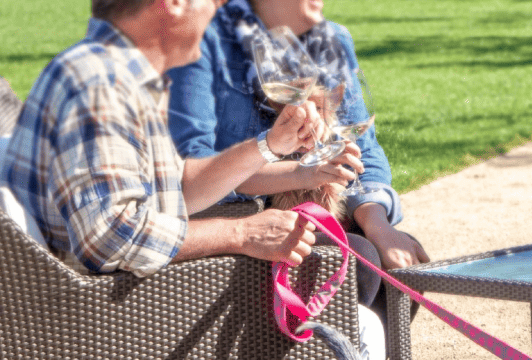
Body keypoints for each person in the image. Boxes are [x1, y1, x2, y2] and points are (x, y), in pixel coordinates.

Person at [0, 0, 339, 278]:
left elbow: (179, 185)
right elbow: (112, 237)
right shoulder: (101, 88)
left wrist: (271, 145)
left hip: (117, 304)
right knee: (343, 299)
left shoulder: (114, 73)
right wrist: (243, 234)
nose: (218, 12)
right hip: (106, 321)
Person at [165, 0, 428, 334]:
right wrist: (301, 172)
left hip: (313, 206)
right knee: (356, 261)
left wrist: (378, 224)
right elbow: (196, 177)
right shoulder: (201, 47)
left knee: (403, 264)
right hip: (228, 218)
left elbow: (365, 149)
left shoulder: (329, 40)